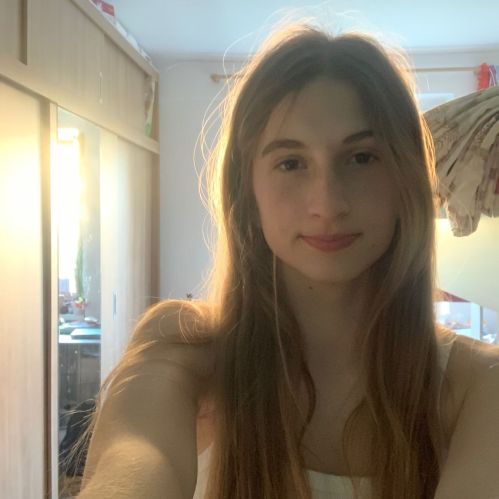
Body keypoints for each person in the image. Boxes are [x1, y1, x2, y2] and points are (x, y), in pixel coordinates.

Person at [77, 23, 499, 499]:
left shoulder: (479, 384)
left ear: (406, 179)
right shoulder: (186, 348)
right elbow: (133, 462)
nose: (327, 204)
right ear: (247, 192)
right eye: (291, 163)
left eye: (362, 157)